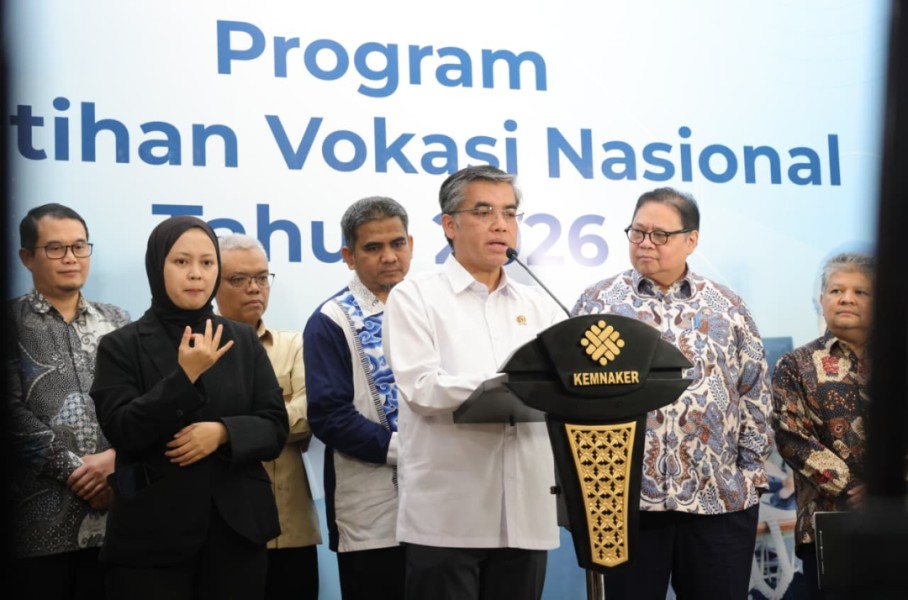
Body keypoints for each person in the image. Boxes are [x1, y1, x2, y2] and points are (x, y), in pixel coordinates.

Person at [571, 187, 774, 600]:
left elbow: (755, 395)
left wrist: (748, 477)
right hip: (626, 504)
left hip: (718, 502)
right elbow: (573, 394)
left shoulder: (727, 307)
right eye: (637, 232)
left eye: (660, 234)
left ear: (691, 240)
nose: (646, 243)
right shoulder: (598, 302)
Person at [383, 166, 564, 600]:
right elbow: (422, 388)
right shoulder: (415, 297)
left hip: (526, 512)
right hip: (448, 515)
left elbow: (559, 386)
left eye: (510, 213)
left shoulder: (539, 305)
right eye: (484, 213)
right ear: (450, 225)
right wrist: (509, 385)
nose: (501, 225)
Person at [89, 216, 289, 599]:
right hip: (151, 538)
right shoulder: (121, 345)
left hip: (236, 532)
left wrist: (224, 432)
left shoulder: (242, 339)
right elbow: (123, 430)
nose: (196, 273)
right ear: (157, 265)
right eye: (181, 262)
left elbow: (274, 426)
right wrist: (185, 378)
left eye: (207, 262)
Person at [8, 203, 130, 599]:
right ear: (27, 257)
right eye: (55, 248)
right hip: (37, 529)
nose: (71, 258)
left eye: (79, 246)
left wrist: (116, 462)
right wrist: (79, 472)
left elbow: (143, 404)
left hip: (118, 524)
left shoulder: (119, 322)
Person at [303, 196, 413, 600]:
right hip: (373, 515)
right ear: (349, 256)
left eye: (397, 244)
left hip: (444, 507)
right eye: (373, 247)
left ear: (411, 245)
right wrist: (411, 449)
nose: (389, 257)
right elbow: (330, 416)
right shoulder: (331, 320)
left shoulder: (431, 308)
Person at [215, 233, 321, 600]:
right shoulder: (196, 348)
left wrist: (231, 430)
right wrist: (269, 423)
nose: (254, 288)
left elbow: (311, 411)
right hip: (221, 531)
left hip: (289, 529)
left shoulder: (294, 344)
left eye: (262, 277)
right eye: (239, 279)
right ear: (212, 283)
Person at [771, 252, 874, 599]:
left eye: (860, 291)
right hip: (828, 525)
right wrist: (854, 488)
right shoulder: (795, 365)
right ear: (822, 299)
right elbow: (791, 438)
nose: (847, 298)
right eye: (836, 290)